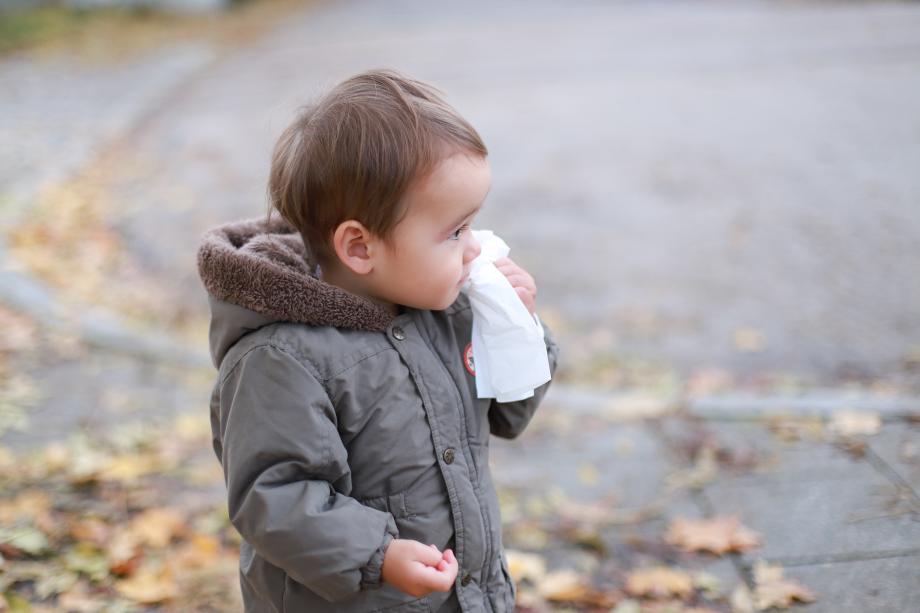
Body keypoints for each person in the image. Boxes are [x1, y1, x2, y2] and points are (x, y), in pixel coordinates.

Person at [197, 68, 559, 612]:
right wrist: (377, 554)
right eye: (453, 232)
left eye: (472, 225)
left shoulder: (446, 309)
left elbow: (508, 416)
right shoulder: (280, 359)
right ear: (360, 248)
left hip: (465, 595)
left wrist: (517, 327)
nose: (472, 249)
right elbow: (273, 495)